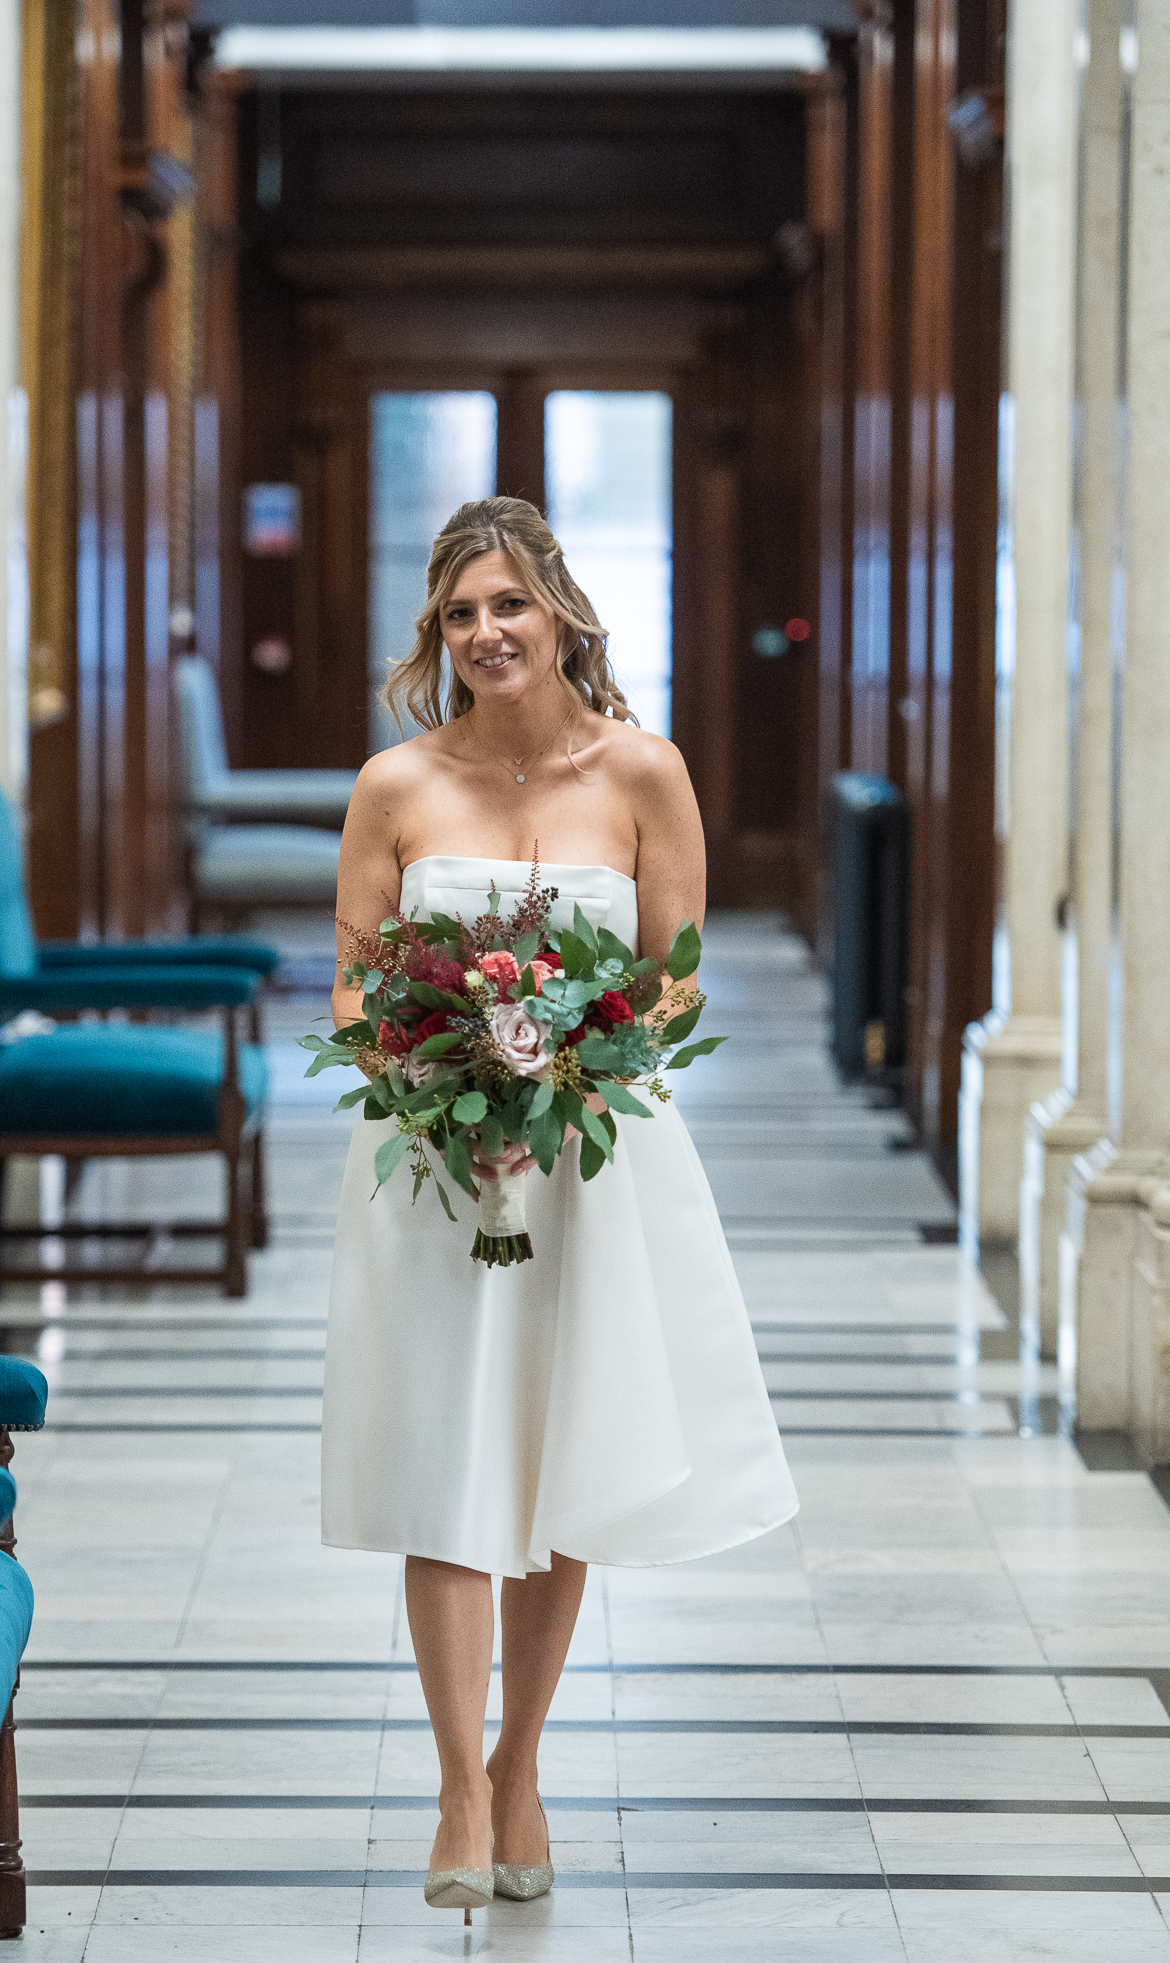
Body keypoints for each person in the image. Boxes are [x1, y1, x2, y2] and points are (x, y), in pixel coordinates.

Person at [320, 496, 797, 1918]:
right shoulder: (394, 785)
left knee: (561, 1452)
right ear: (438, 635)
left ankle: (523, 1762)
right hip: (432, 1167)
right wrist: (429, 1076)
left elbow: (677, 971)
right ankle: (457, 1790)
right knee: (441, 1459)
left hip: (591, 1159)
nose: (484, 634)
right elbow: (351, 978)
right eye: (459, 614)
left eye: (507, 606)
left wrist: (571, 1065)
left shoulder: (642, 773)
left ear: (562, 615)